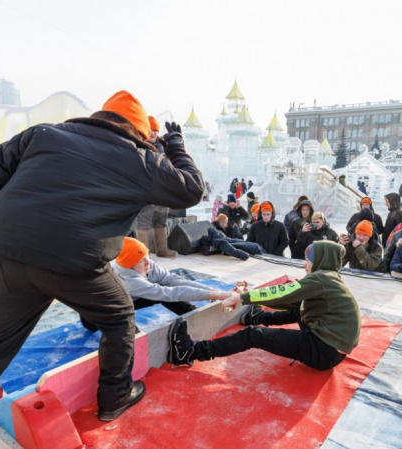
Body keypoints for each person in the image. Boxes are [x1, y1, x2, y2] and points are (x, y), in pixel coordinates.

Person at [0, 90, 204, 447]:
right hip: (75, 263)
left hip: (5, 254)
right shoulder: (141, 160)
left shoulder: (43, 134)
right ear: (136, 130)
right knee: (118, 314)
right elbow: (191, 189)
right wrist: (176, 145)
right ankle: (115, 395)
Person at [167, 241, 361, 371]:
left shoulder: (321, 279)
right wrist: (254, 300)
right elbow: (293, 301)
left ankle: (190, 352)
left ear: (320, 260)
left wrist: (241, 297)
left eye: (308, 260)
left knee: (253, 335)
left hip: (323, 350)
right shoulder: (331, 278)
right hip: (332, 351)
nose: (304, 265)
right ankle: (258, 316)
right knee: (300, 308)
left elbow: (283, 293)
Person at [110, 237, 234, 318]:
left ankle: (192, 315)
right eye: (141, 260)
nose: (148, 262)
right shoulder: (129, 281)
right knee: (124, 316)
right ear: (130, 265)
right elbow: (169, 293)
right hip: (108, 309)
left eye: (147, 256)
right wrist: (211, 295)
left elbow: (174, 281)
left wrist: (215, 292)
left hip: (135, 297)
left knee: (166, 285)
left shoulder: (148, 264)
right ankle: (135, 337)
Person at [134, 115, 176, 258]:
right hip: (145, 191)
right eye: (151, 129)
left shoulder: (163, 147)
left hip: (161, 190)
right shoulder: (139, 144)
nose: (153, 133)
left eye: (156, 130)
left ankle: (162, 249)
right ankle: (143, 253)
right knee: (144, 221)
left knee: (161, 219)